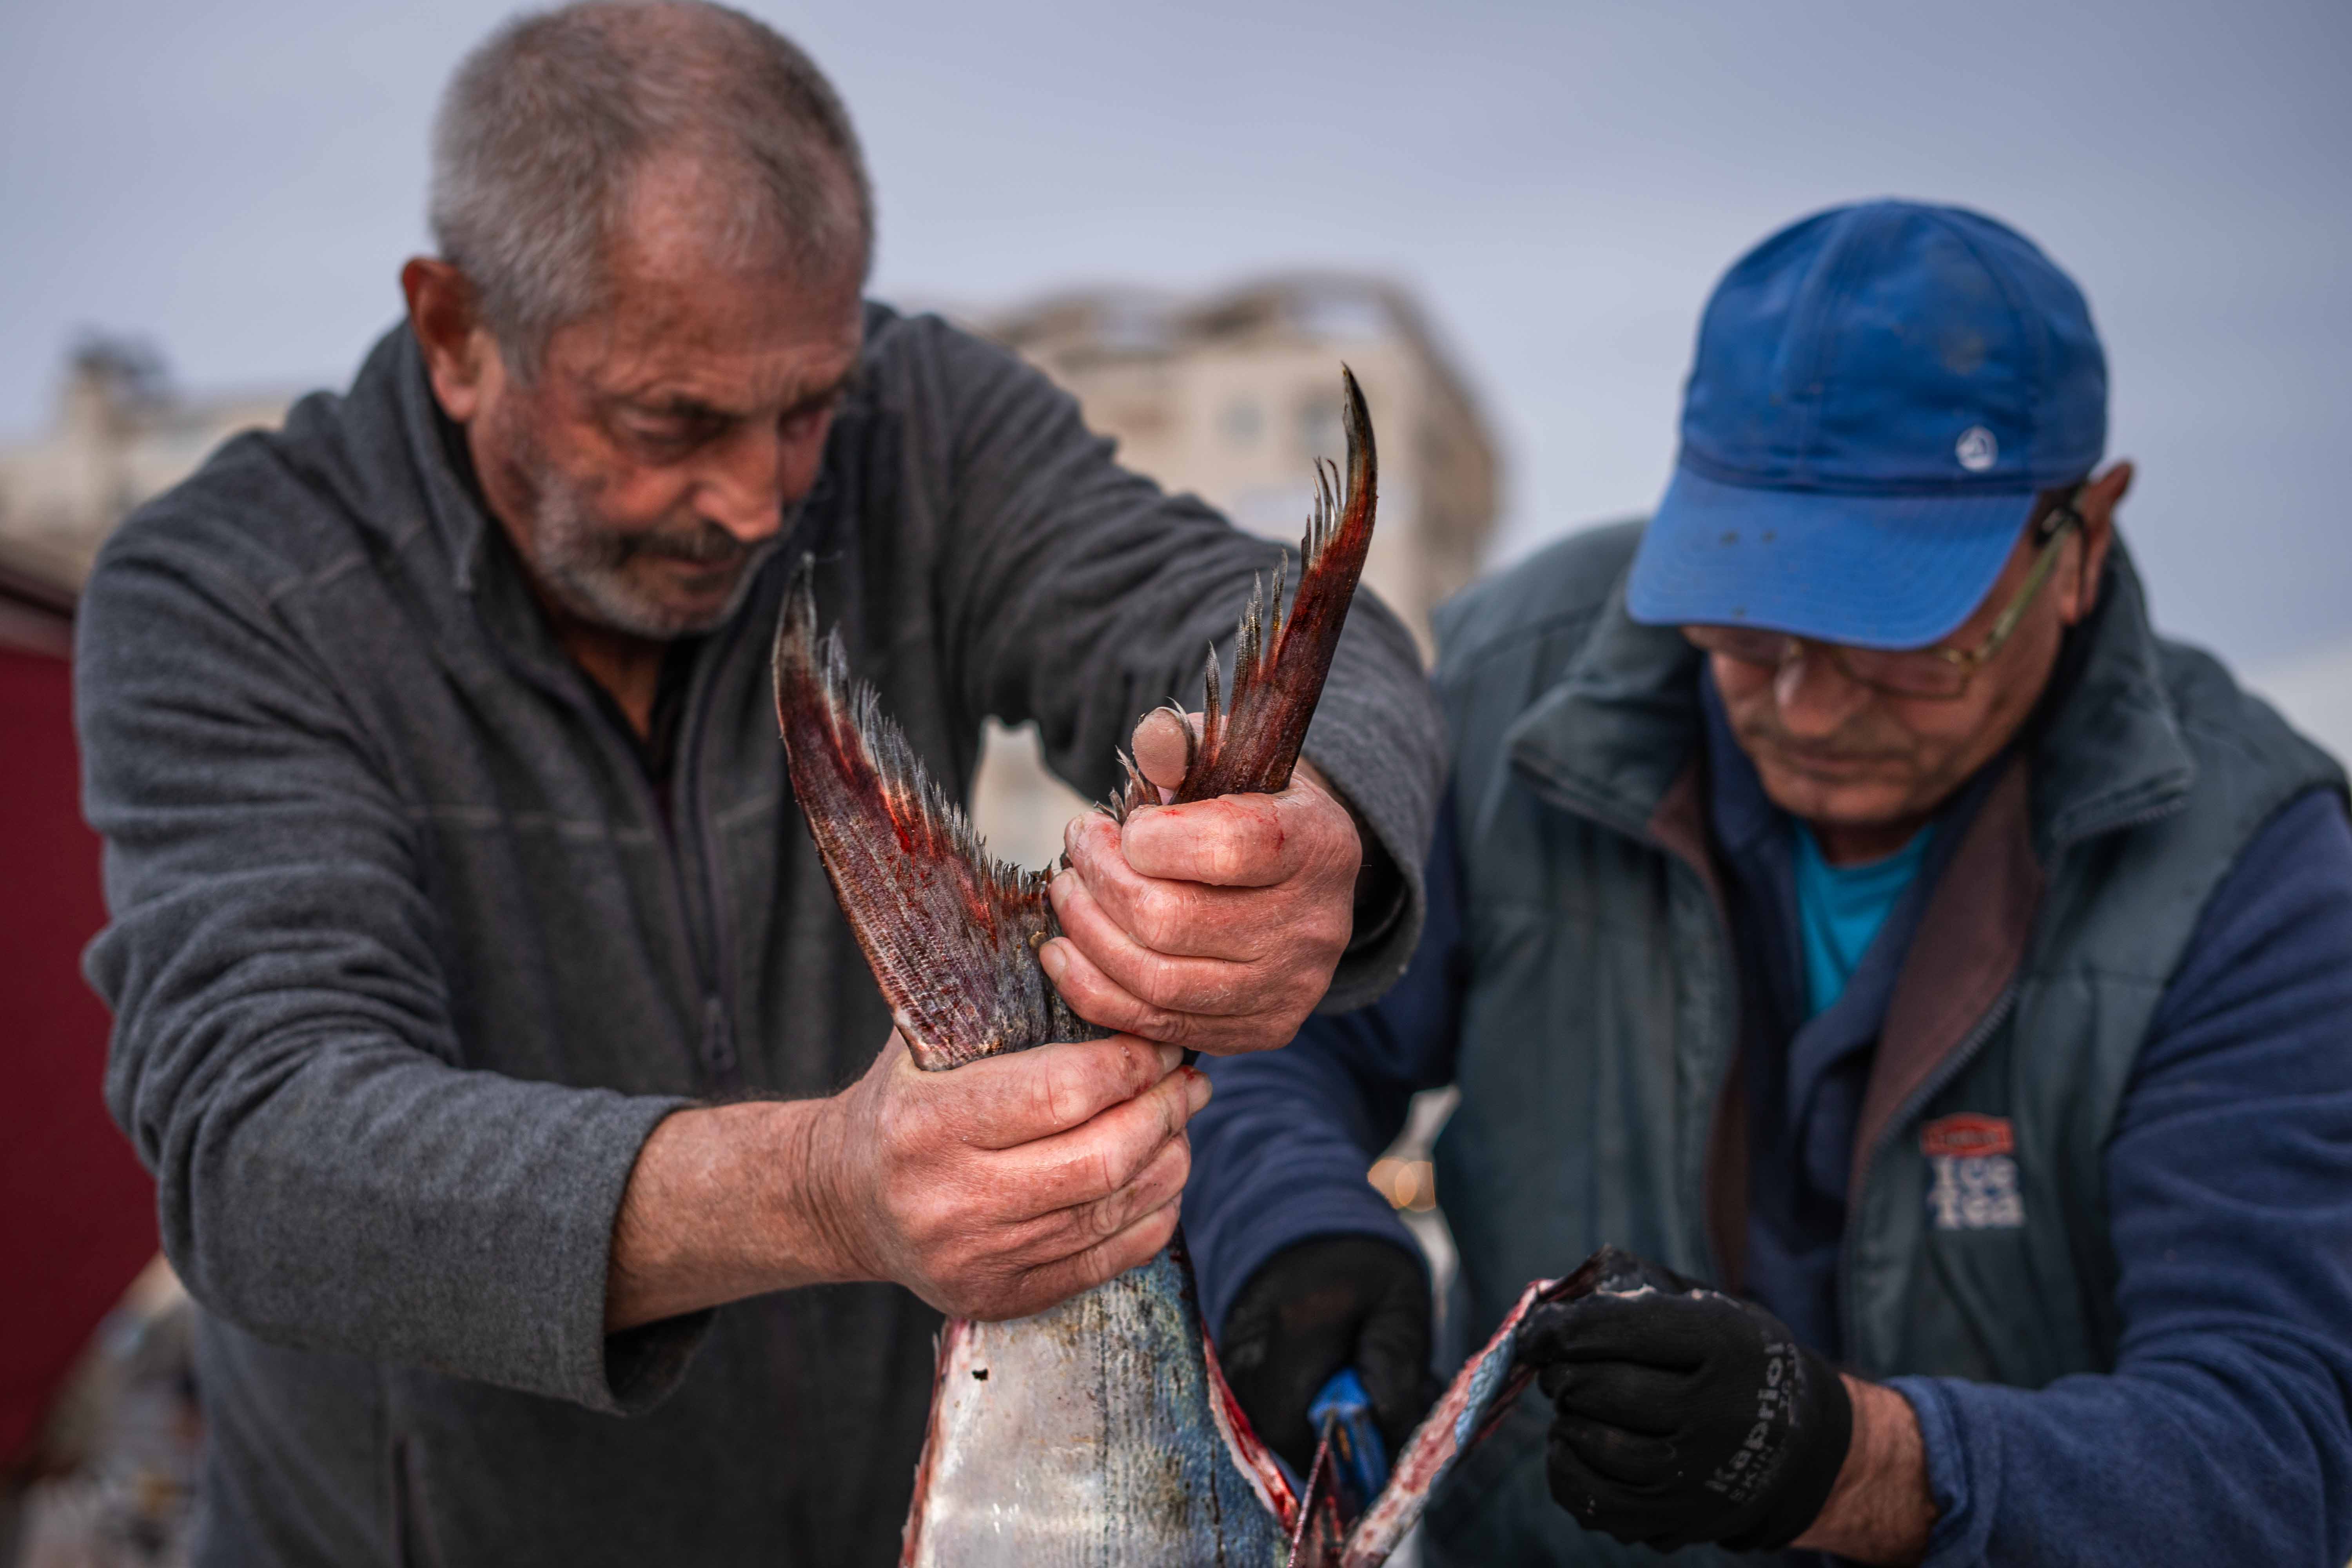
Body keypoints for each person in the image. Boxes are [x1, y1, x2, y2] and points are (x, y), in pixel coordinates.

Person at [73, 5, 1444, 1563]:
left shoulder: (918, 424)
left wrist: (1314, 832)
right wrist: (821, 1191)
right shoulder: (226, 587)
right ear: (456, 332)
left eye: (806, 409)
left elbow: (1259, 625)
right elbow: (264, 1149)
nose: (754, 496)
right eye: (672, 422)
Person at [1184, 199, 2352, 1565]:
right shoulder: (1517, 685)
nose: (1804, 700)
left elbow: (2281, 1441)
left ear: (2080, 538)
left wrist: (1857, 1465)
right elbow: (1269, 1044)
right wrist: (1289, 1230)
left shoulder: (2255, 867)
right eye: (1746, 624)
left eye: (1896, 634)